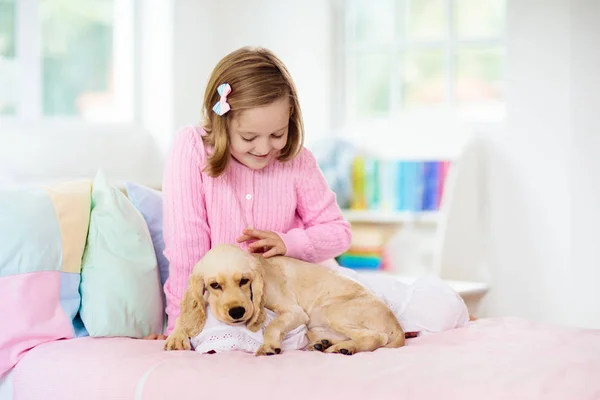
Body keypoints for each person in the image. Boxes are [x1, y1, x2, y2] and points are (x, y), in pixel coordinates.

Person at [145, 46, 470, 350]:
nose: (264, 148)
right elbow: (187, 248)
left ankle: (372, 327)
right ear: (221, 121)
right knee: (229, 338)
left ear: (291, 121)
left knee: (438, 307)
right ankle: (339, 336)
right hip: (249, 305)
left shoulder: (297, 160)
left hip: (311, 289)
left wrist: (290, 244)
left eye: (277, 134)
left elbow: (338, 233)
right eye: (248, 137)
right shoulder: (192, 148)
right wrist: (180, 326)